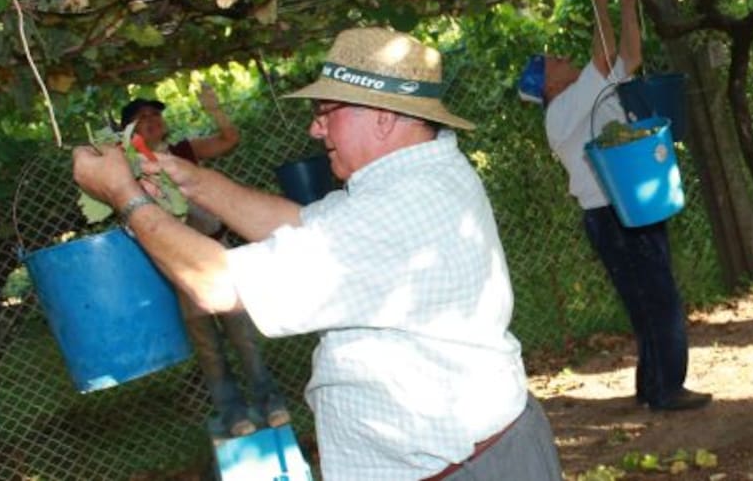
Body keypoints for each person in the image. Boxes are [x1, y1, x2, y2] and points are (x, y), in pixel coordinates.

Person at [79, 27, 563, 480]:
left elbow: (218, 283)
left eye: (326, 111)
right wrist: (190, 179)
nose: (315, 129)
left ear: (383, 117)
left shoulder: (398, 209)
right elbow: (299, 224)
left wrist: (128, 198)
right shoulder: (416, 177)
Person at [518, 0, 709, 411]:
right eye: (553, 60)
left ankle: (654, 387)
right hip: (612, 214)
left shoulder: (591, 92)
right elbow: (605, 57)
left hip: (629, 207)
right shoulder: (561, 111)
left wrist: (627, 3)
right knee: (656, 299)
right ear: (547, 86)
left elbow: (630, 56)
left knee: (650, 300)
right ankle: (665, 390)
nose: (563, 57)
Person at [120, 86, 290, 438]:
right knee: (208, 346)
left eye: (156, 114)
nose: (152, 120)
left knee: (243, 334)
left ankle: (271, 403)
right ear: (129, 131)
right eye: (143, 117)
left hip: (217, 252)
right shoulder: (129, 169)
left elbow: (229, 139)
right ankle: (233, 413)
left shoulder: (185, 151)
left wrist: (214, 109)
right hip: (179, 263)